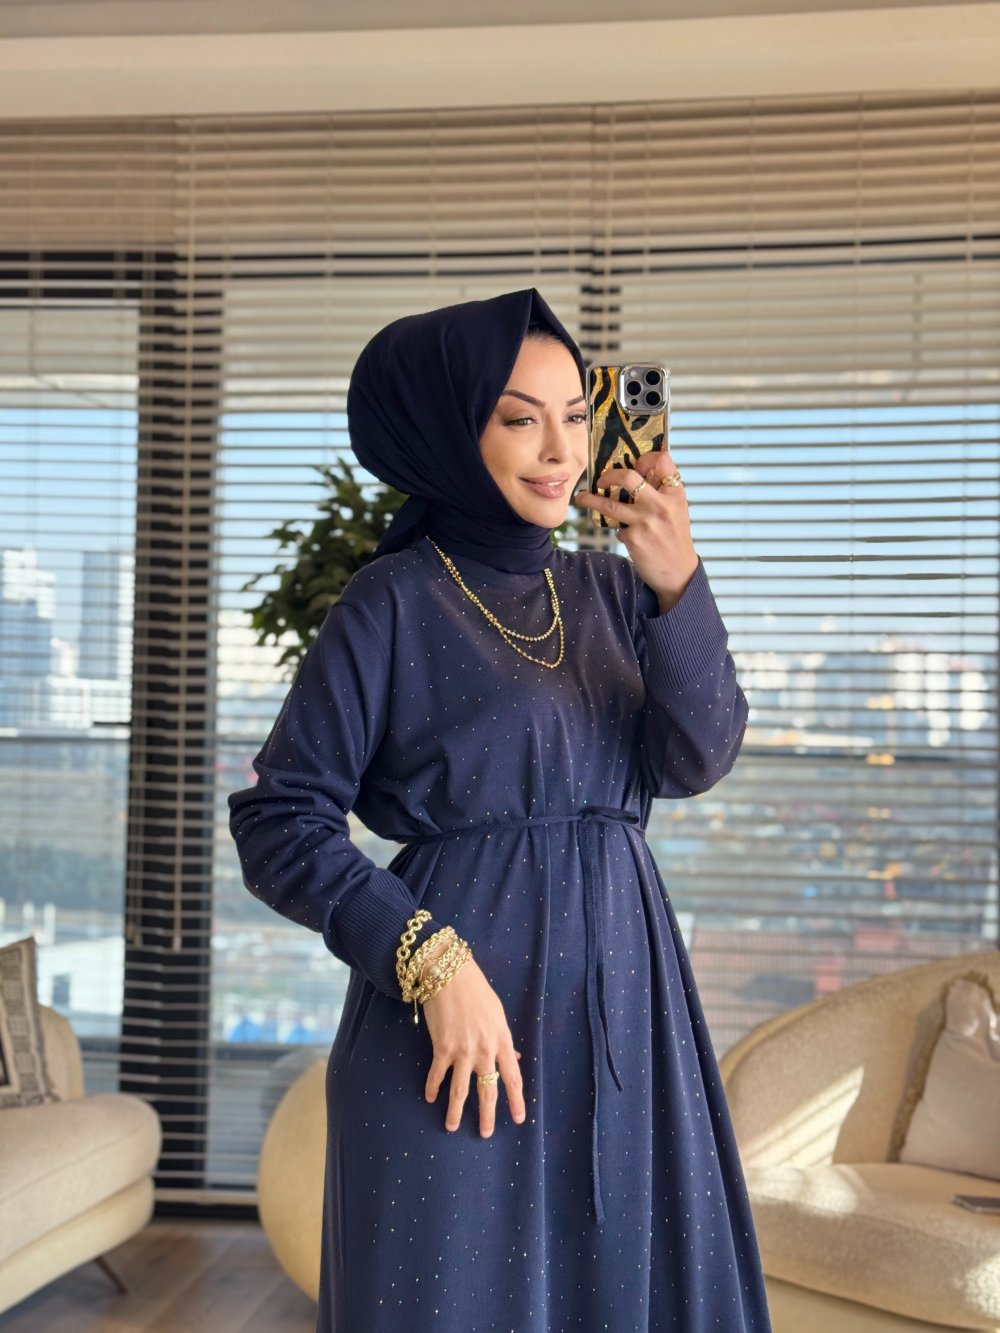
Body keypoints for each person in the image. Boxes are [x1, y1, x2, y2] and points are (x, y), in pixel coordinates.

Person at [227, 288, 772, 1332]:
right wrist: (430, 959)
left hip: (624, 1009)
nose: (559, 450)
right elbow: (280, 817)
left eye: (574, 414)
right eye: (520, 418)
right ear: (450, 428)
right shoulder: (389, 601)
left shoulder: (617, 594)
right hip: (451, 1031)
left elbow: (696, 757)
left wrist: (678, 584)